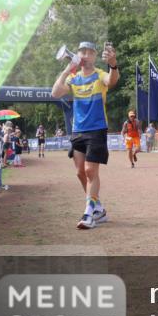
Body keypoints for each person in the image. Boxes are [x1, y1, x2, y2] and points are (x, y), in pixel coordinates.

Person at [50, 40, 120, 229]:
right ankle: (98, 209)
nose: (85, 55)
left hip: (97, 129)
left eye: (89, 52)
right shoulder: (73, 78)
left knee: (90, 171)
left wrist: (113, 64)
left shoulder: (100, 75)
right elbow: (55, 93)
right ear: (77, 55)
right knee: (80, 172)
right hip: (78, 130)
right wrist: (67, 70)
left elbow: (112, 81)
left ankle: (88, 213)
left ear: (95, 56)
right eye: (82, 52)